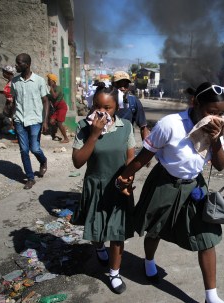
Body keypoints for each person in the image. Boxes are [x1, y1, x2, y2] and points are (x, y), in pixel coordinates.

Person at [116, 82, 224, 303]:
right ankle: (148, 261)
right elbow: (145, 156)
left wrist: (216, 140)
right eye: (211, 112)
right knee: (155, 229)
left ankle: (211, 296)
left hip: (194, 187)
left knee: (207, 238)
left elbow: (220, 165)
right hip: (165, 183)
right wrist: (125, 176)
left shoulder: (215, 130)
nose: (216, 118)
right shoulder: (171, 124)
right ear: (195, 103)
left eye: (221, 113)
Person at [71, 83, 136, 294]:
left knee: (117, 234)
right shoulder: (83, 126)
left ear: (116, 107)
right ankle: (99, 246)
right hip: (95, 186)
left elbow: (130, 160)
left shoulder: (125, 126)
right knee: (97, 229)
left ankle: (114, 273)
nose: (101, 112)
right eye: (97, 106)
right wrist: (93, 135)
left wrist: (127, 180)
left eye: (107, 107)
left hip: (118, 187)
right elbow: (78, 162)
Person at [11, 53, 49, 190]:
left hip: (35, 120)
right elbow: (14, 101)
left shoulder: (39, 81)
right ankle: (30, 178)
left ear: (27, 64)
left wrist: (45, 121)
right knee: (24, 150)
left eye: (18, 63)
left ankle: (43, 161)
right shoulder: (14, 82)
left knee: (34, 148)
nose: (16, 65)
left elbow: (46, 101)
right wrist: (12, 118)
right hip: (19, 120)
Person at [112, 71, 150, 141]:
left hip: (127, 144)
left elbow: (143, 127)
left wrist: (146, 148)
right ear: (113, 85)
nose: (122, 88)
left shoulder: (133, 101)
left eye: (125, 85)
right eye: (119, 85)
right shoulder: (104, 100)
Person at [0, 65, 17, 135]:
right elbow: (8, 92)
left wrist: (12, 103)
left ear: (8, 73)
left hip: (12, 103)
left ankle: (15, 133)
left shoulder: (14, 82)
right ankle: (10, 130)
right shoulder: (9, 81)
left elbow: (15, 93)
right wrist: (0, 91)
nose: (3, 74)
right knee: (7, 117)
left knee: (13, 118)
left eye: (4, 72)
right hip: (9, 103)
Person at [47, 73, 69, 143]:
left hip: (62, 107)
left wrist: (51, 88)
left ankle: (66, 138)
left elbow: (54, 96)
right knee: (51, 121)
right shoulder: (52, 89)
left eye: (49, 80)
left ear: (52, 81)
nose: (47, 81)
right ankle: (56, 133)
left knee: (59, 123)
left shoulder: (58, 88)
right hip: (57, 108)